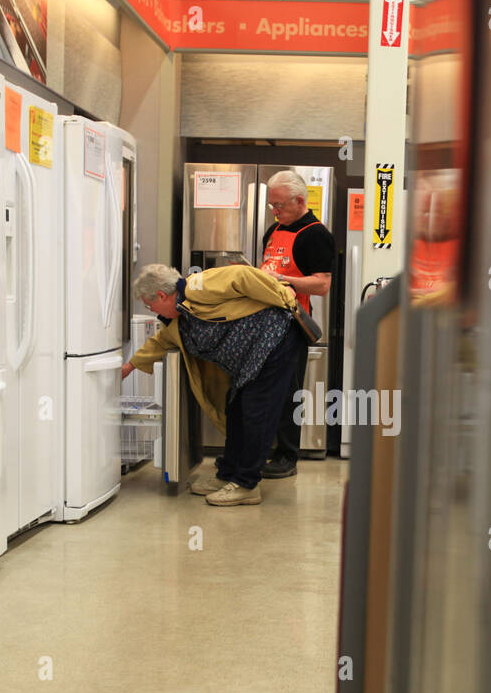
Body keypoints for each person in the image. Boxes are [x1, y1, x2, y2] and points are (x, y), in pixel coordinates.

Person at [119, 263, 303, 506]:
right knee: (235, 410)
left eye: (149, 304)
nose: (151, 309)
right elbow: (159, 342)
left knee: (256, 412)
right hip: (249, 358)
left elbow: (242, 275)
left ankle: (247, 484)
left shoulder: (197, 287)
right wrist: (127, 367)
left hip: (275, 340)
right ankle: (228, 475)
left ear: (162, 296)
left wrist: (284, 295)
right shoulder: (179, 318)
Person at [258, 170, 335, 479]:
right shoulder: (273, 230)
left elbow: (321, 284)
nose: (275, 212)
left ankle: (287, 455)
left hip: (291, 326)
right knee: (263, 390)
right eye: (272, 206)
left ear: (299, 201)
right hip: (263, 324)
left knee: (289, 392)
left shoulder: (316, 234)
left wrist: (282, 280)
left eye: (279, 206)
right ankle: (262, 449)